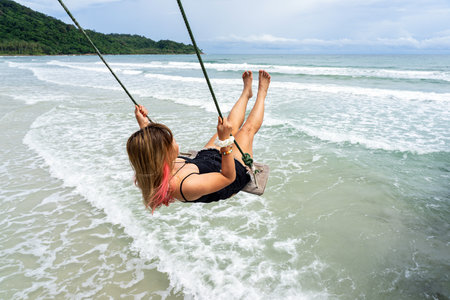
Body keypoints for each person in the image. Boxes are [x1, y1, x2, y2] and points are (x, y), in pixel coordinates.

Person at [127, 70, 271, 213]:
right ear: (162, 153)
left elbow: (148, 149)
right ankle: (262, 93)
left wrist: (144, 126)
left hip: (205, 160)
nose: (175, 142)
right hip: (230, 175)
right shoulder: (185, 185)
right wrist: (225, 140)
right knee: (247, 130)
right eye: (172, 142)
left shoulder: (152, 165)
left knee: (229, 125)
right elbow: (227, 177)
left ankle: (246, 93)